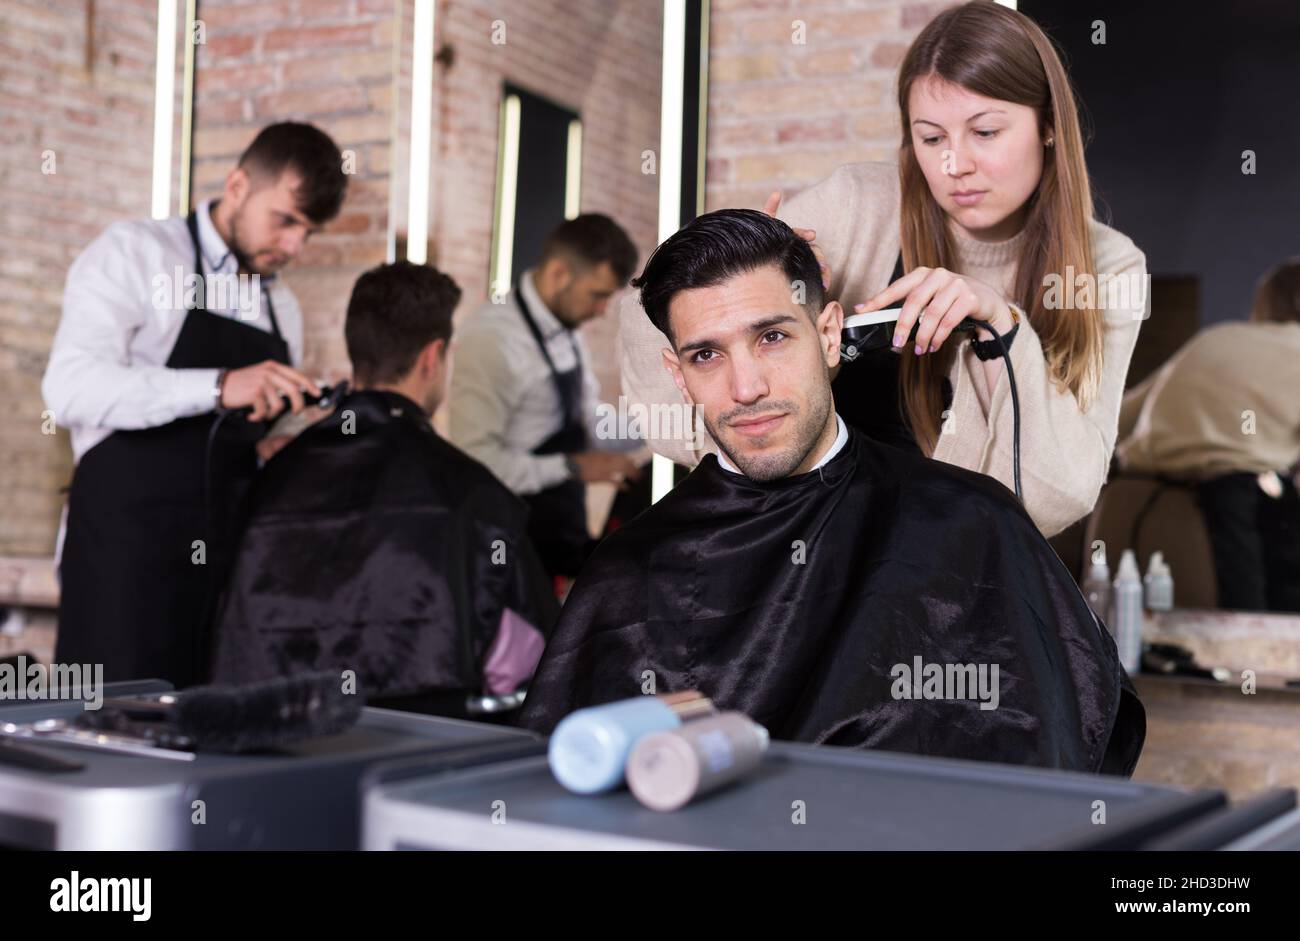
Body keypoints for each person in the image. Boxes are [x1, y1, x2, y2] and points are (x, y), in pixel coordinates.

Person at [519, 209, 1145, 774]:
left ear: (827, 334)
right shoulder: (631, 571)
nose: (746, 387)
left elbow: (1057, 761)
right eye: (707, 355)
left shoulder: (972, 522)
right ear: (677, 377)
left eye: (772, 337)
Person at [618, 0, 1148, 537]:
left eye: (985, 132)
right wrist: (751, 300)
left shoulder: (1110, 272)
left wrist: (1000, 325)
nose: (954, 165)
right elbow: (649, 316)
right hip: (808, 553)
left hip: (967, 575)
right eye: (931, 137)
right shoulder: (859, 205)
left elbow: (1058, 497)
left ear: (1050, 126)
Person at [43, 122, 347, 687]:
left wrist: (283, 435)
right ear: (237, 186)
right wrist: (216, 384)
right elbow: (69, 388)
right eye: (285, 221)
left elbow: (240, 433)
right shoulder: (137, 254)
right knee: (112, 738)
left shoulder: (281, 305)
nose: (293, 247)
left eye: (308, 232)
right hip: (124, 563)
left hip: (226, 569)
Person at [211, 262, 558, 719]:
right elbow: (534, 669)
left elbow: (228, 643)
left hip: (270, 753)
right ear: (433, 357)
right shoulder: (475, 494)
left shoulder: (270, 480)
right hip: (423, 765)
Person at [449, 214, 644, 580]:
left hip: (558, 530)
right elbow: (475, 465)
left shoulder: (566, 331)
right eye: (597, 295)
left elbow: (589, 421)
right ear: (559, 274)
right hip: (507, 543)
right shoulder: (492, 339)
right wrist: (573, 467)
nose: (602, 310)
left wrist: (665, 423)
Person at [1116, 259, 1300, 612]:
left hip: (1132, 494)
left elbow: (1118, 415)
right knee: (1256, 625)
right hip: (1238, 498)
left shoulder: (1217, 336)